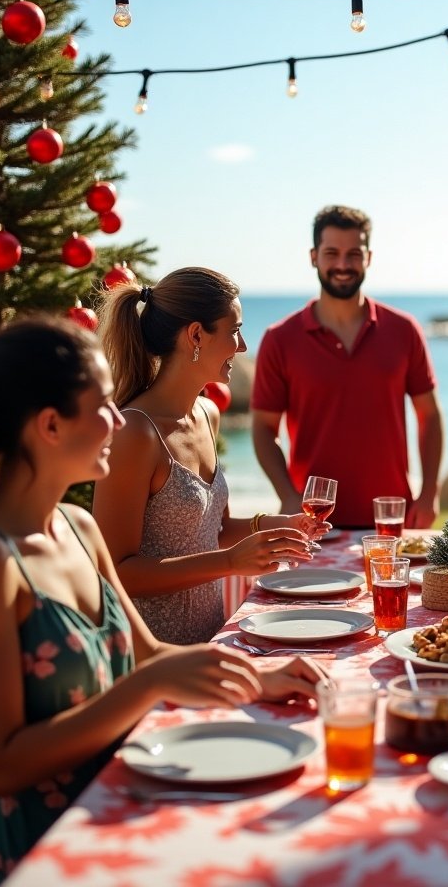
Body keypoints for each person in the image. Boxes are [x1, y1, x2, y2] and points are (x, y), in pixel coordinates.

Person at [0, 319, 326, 885]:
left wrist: (258, 677)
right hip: (39, 850)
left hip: (118, 811)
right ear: (50, 425)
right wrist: (146, 689)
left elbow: (145, 652)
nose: (120, 420)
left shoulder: (77, 527)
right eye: (102, 405)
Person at [94, 267, 326, 646]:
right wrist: (232, 562)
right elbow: (116, 572)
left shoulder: (207, 414)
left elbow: (213, 530)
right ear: (196, 335)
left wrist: (279, 525)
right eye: (234, 330)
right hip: (150, 657)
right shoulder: (134, 433)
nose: (243, 346)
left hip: (210, 641)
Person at [251, 205, 444, 528]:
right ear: (314, 257)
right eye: (332, 253)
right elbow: (263, 428)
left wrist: (429, 492)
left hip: (392, 517)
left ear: (368, 257)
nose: (343, 265)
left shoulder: (404, 329)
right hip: (313, 521)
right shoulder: (280, 339)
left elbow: (430, 415)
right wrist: (286, 494)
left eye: (354, 254)